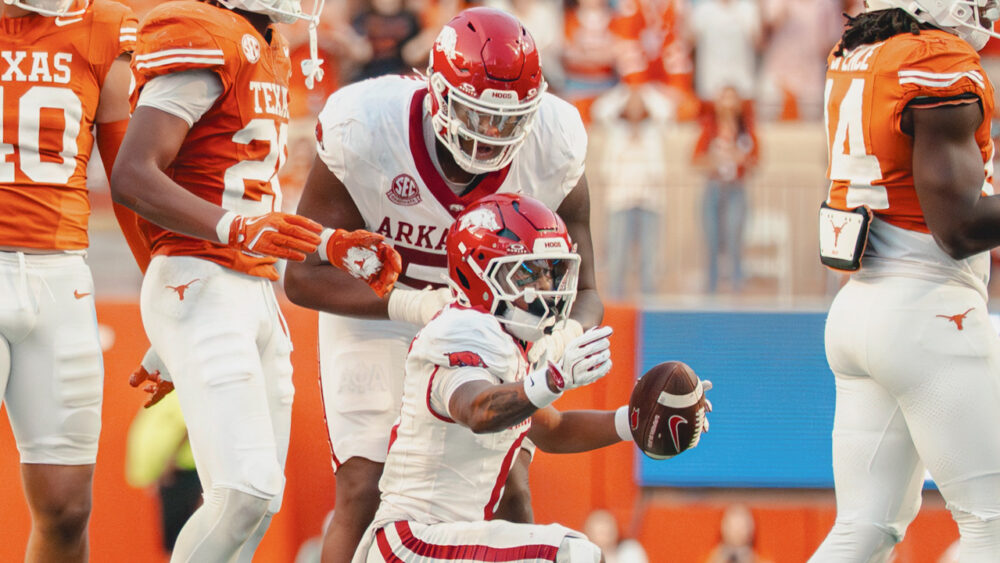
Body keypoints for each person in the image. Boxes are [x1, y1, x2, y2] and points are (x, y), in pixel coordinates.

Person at [283, 7, 604, 562]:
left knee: (510, 491)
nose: (489, 136)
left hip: (493, 326)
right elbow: (303, 275)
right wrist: (410, 303)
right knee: (364, 486)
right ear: (435, 92)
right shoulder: (367, 124)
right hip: (377, 311)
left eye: (506, 121)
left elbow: (587, 288)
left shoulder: (555, 138)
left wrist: (563, 335)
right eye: (476, 114)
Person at [108, 0, 399, 560]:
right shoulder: (205, 31)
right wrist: (233, 229)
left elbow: (245, 192)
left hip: (252, 289)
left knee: (261, 505)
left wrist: (324, 242)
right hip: (201, 274)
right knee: (244, 491)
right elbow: (132, 174)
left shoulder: (267, 43)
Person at [351, 193, 701, 562]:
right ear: (479, 274)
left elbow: (553, 429)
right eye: (530, 272)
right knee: (573, 555)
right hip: (414, 542)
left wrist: (631, 423)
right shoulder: (461, 329)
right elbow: (476, 410)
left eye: (551, 271)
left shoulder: (507, 343)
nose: (548, 286)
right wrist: (551, 380)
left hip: (445, 542)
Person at [812, 2, 1000, 561]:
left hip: (861, 305)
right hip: (928, 311)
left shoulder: (861, 51)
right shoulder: (937, 60)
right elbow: (960, 227)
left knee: (865, 528)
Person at [0, 0, 136, 559]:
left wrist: (166, 286)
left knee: (66, 507)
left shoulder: (104, 25)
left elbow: (130, 177)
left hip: (61, 272)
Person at [693, 85, 758, 294]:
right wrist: (715, 160)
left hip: (736, 188)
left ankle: (736, 288)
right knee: (712, 240)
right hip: (714, 187)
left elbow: (756, 160)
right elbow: (695, 160)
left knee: (734, 238)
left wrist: (740, 158)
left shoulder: (746, 131)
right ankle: (711, 288)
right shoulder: (710, 129)